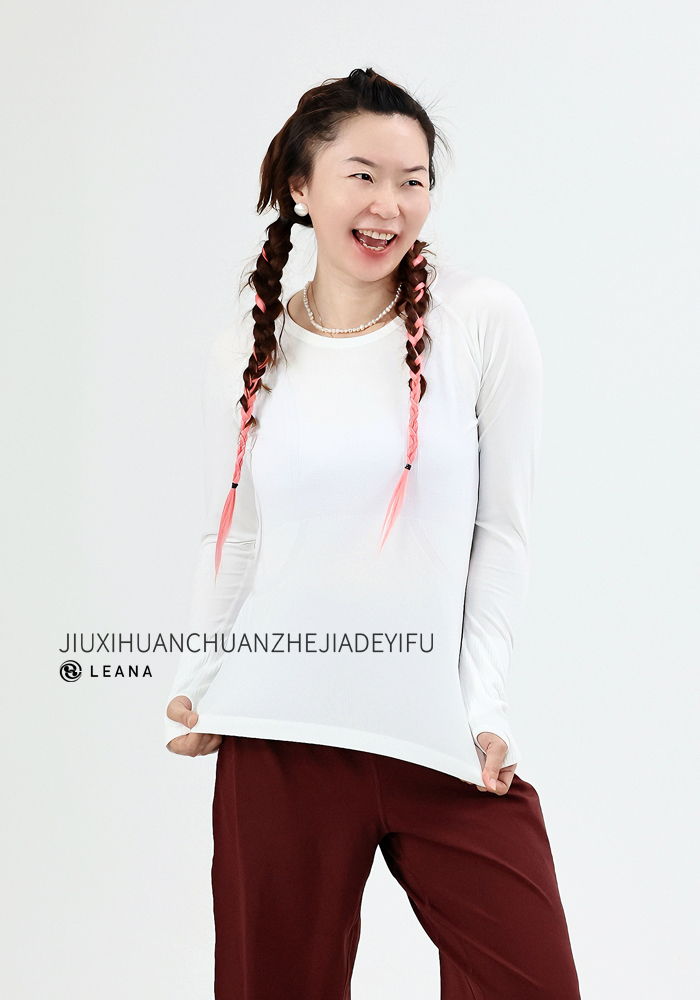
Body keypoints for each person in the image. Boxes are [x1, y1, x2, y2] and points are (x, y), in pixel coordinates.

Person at [164, 67, 581, 1000]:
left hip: (437, 736)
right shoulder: (247, 348)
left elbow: (502, 533)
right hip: (279, 735)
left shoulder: (481, 320)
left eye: (413, 180)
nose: (389, 204)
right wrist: (200, 678)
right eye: (362, 175)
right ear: (300, 187)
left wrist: (485, 708)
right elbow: (234, 536)